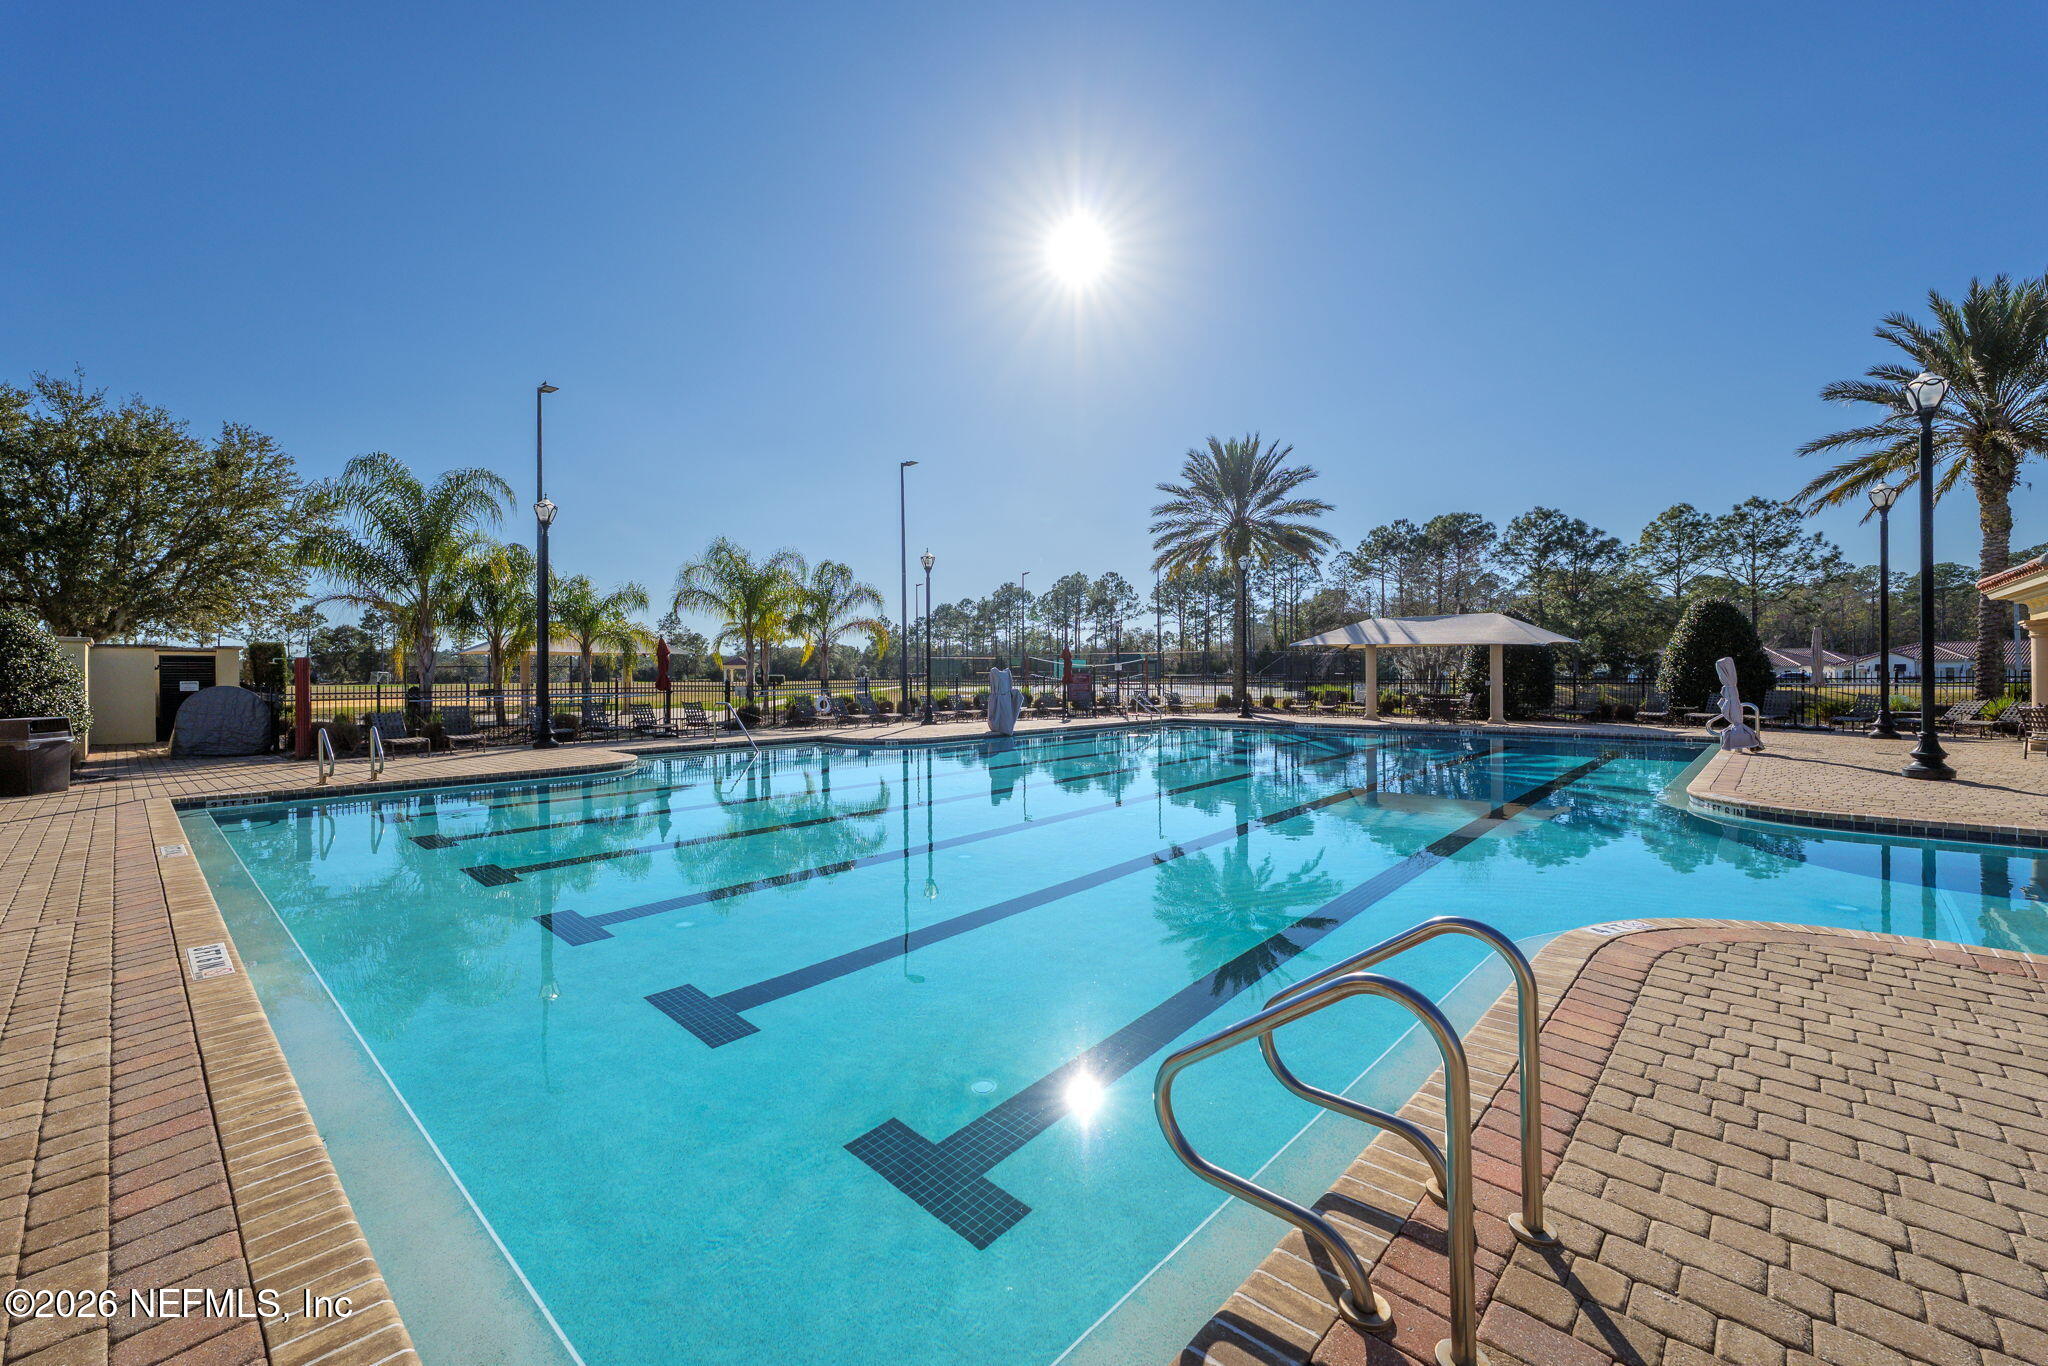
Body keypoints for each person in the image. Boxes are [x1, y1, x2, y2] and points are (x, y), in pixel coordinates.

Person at [987, 659, 1022, 737]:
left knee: (1004, 714)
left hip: (1004, 698)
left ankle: (1004, 727)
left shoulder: (1003, 673)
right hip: (1003, 698)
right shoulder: (997, 672)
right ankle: (1003, 727)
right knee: (1001, 714)